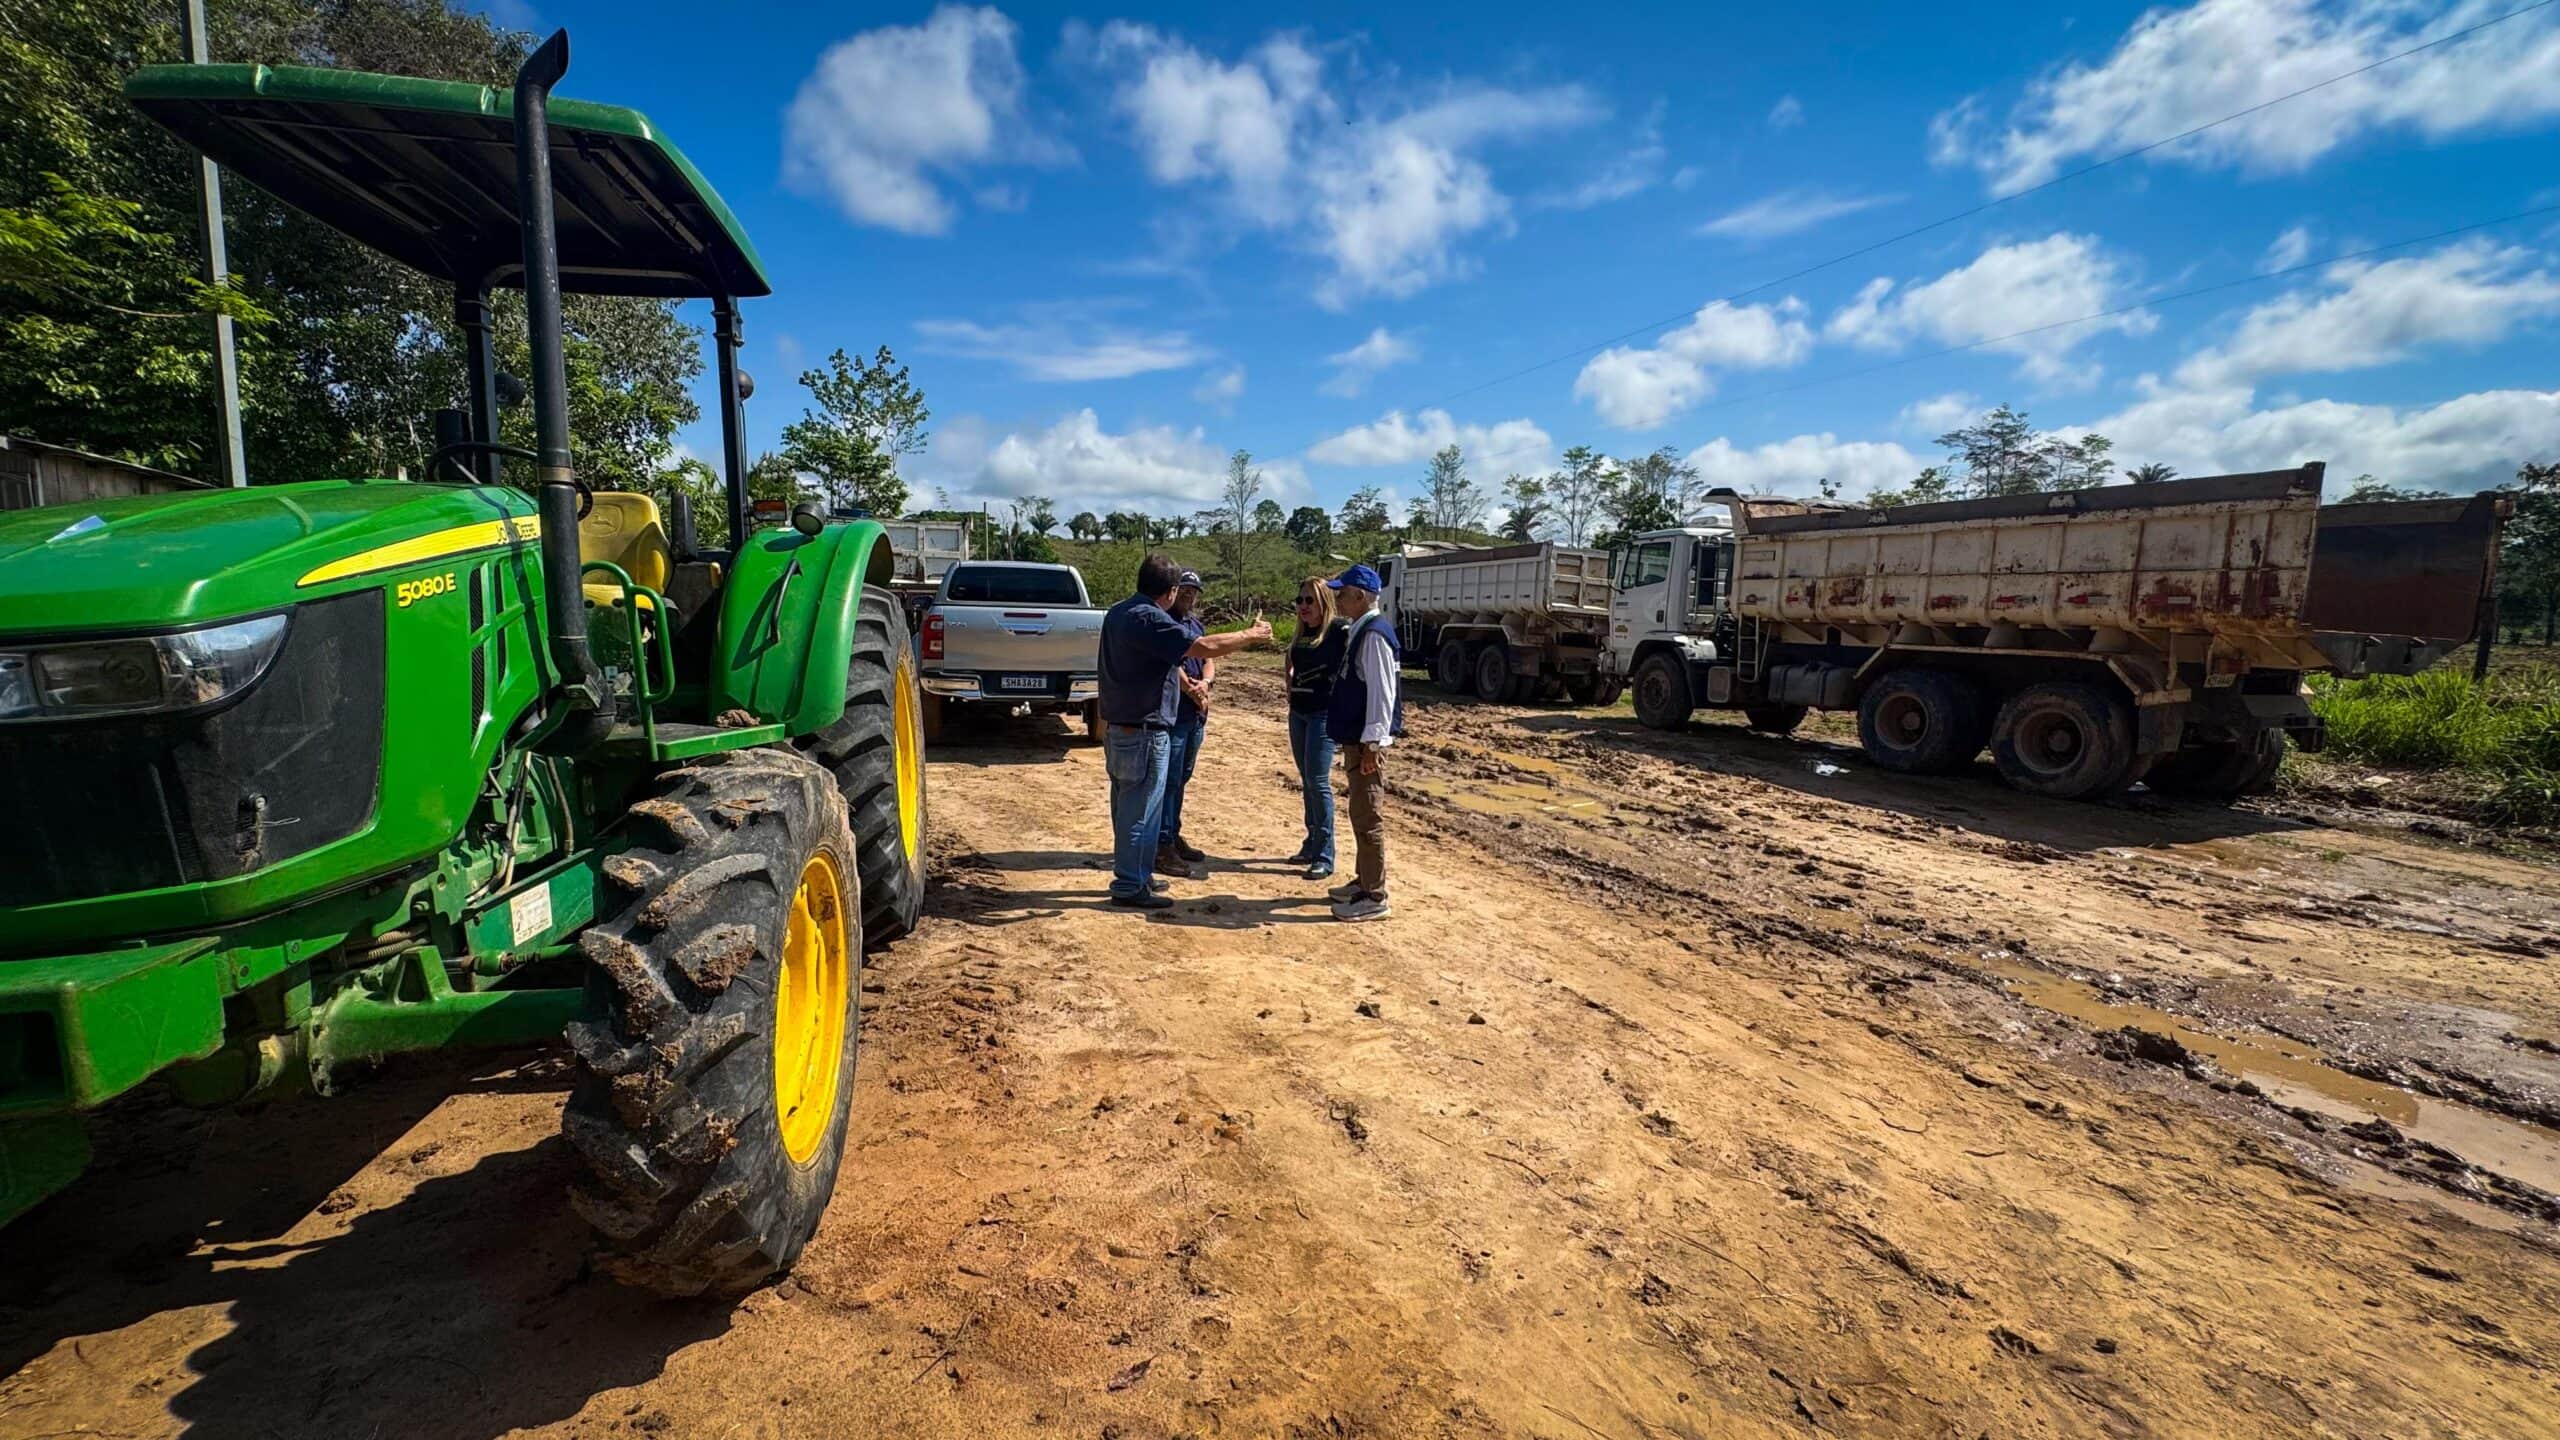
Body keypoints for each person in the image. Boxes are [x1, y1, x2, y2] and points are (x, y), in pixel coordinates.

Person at [1095, 553, 1271, 910]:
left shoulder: (1118, 612)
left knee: (1128, 808)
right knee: (1139, 812)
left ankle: (1137, 875)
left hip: (1122, 729)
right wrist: (1250, 635)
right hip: (1144, 731)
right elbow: (1201, 647)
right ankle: (1130, 884)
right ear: (1171, 591)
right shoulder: (1148, 618)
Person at [1324, 564, 1400, 921]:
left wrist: (1373, 743)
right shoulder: (1361, 630)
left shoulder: (1373, 635)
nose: (1337, 598)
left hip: (1366, 742)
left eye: (1342, 592)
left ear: (1359, 595)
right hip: (1358, 739)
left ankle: (1374, 894)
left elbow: (1382, 694)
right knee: (1359, 813)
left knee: (1369, 817)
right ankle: (1363, 881)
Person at [1283, 576, 1349, 880]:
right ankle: (1311, 843)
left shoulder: (1338, 631)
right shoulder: (1302, 633)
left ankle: (1325, 853)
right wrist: (1290, 691)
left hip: (1322, 715)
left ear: (1325, 602)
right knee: (1306, 780)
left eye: (1310, 600)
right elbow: (1290, 662)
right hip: (1299, 713)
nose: (1303, 606)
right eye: (1300, 600)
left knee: (1318, 781)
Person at [1156, 570, 1211, 878]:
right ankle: (1162, 844)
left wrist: (1206, 683)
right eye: (1185, 590)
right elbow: (1171, 663)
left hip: (1195, 716)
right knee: (1170, 781)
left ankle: (1173, 834)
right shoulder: (1166, 624)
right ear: (1174, 591)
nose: (1189, 596)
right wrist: (1191, 690)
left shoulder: (1195, 624)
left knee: (1182, 778)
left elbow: (1208, 658)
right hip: (1176, 714)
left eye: (1194, 592)